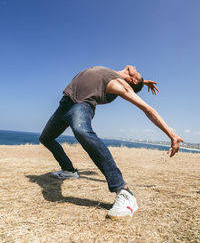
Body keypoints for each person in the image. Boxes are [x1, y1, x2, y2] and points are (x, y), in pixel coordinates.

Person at [39, 65, 183, 220]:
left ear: (132, 79)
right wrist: (144, 82)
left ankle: (124, 191)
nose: (136, 67)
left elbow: (148, 109)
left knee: (82, 131)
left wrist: (171, 134)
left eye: (139, 73)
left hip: (80, 106)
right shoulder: (114, 74)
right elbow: (132, 79)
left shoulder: (119, 84)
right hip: (64, 106)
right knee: (45, 138)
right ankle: (69, 170)